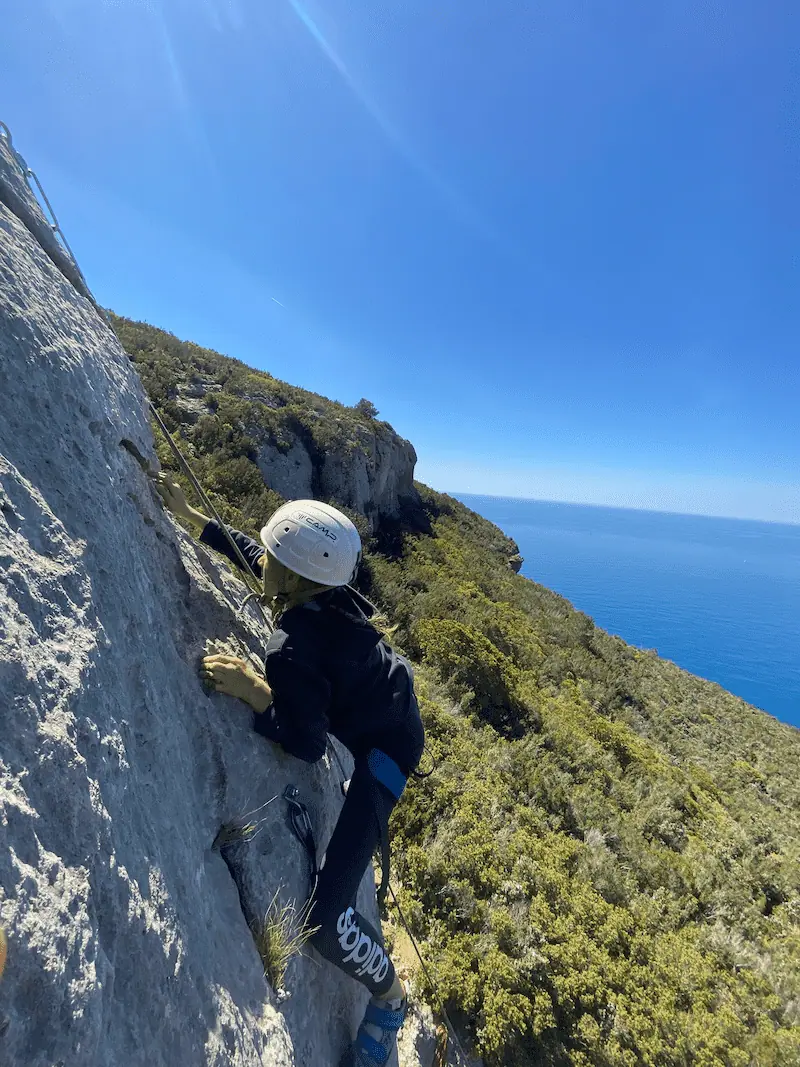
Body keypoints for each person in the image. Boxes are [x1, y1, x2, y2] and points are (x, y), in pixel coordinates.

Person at [155, 475, 424, 1067]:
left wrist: (257, 694)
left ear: (297, 577)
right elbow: (266, 561)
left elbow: (304, 743)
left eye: (275, 554)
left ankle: (389, 996)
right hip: (390, 708)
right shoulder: (320, 593)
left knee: (326, 923)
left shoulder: (294, 646)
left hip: (387, 755)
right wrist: (195, 517)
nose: (262, 554)